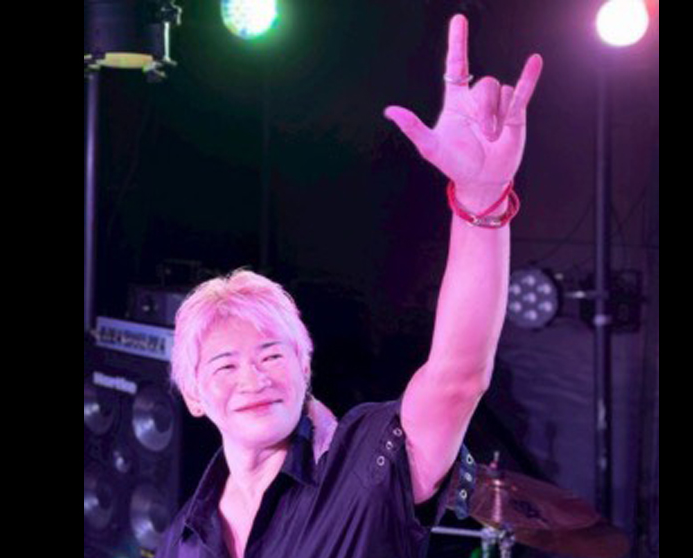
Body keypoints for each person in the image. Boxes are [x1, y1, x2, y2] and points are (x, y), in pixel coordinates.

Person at [156, 13, 543, 558]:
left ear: (304, 366)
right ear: (194, 395)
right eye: (224, 366)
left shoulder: (368, 463)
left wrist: (481, 199)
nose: (254, 379)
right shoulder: (183, 538)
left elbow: (458, 377)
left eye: (272, 355)